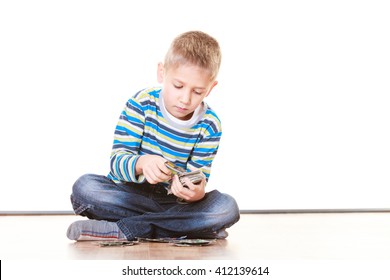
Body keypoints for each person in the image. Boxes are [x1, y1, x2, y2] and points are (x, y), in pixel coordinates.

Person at [67, 31, 240, 242]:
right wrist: (142, 163)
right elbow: (117, 163)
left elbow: (199, 177)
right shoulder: (141, 103)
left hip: (172, 203)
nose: (185, 99)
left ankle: (124, 230)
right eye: (178, 86)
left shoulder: (210, 125)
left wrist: (196, 193)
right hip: (129, 194)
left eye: (197, 91)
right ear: (162, 72)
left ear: (210, 88)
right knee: (85, 188)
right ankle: (187, 228)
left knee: (226, 207)